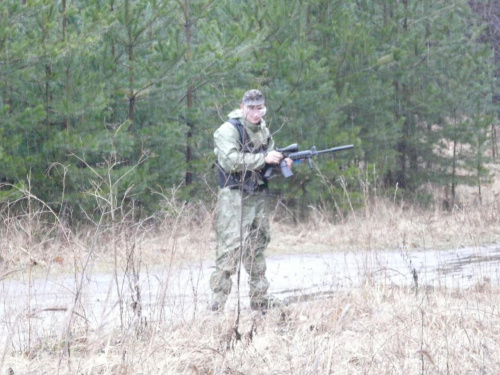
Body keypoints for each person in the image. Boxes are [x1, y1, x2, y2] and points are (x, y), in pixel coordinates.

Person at [209, 89, 292, 312]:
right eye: (252, 108)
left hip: (256, 196)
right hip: (234, 197)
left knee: (256, 247)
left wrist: (281, 162)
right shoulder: (227, 130)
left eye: (260, 108)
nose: (256, 113)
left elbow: (268, 158)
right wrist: (263, 158)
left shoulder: (262, 130)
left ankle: (259, 300)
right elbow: (230, 161)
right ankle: (217, 304)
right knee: (229, 250)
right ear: (242, 107)